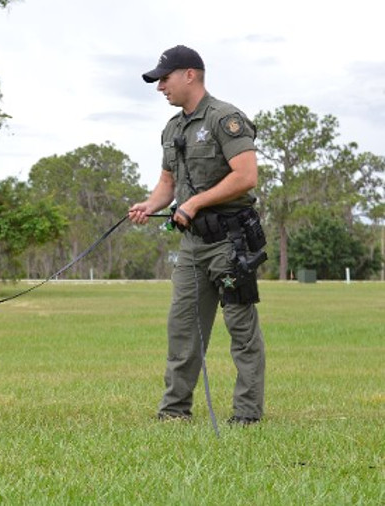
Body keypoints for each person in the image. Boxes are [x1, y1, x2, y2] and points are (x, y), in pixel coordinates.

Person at [128, 45, 267, 426]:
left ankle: (247, 414)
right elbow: (167, 184)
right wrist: (150, 205)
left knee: (241, 328)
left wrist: (195, 204)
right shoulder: (172, 128)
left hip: (231, 241)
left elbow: (246, 175)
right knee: (183, 329)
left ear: (190, 74)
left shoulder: (226, 119)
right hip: (192, 246)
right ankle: (174, 411)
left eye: (164, 79)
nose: (160, 88)